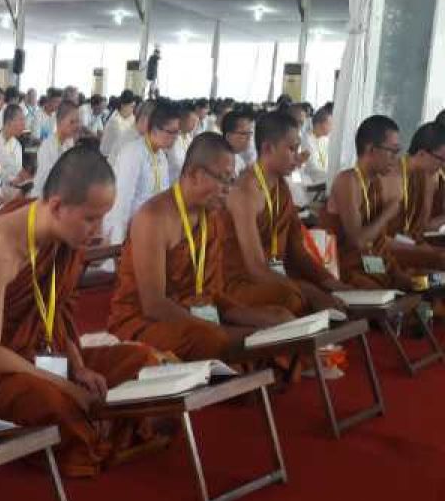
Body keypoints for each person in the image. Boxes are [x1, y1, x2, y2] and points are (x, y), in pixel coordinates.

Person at [0, 145, 167, 476]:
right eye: (91, 218)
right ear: (57, 206)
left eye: (103, 217)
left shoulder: (62, 239)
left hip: (40, 356)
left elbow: (57, 315)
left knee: (142, 364)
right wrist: (66, 386)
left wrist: (78, 369)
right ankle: (103, 434)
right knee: (59, 405)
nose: (99, 230)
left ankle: (101, 430)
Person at [108, 133, 293, 361]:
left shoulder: (211, 215)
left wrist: (249, 316)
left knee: (279, 317)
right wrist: (215, 327)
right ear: (195, 174)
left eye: (231, 181)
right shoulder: (153, 217)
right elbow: (153, 304)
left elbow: (210, 293)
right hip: (145, 322)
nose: (228, 189)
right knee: (213, 339)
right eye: (223, 179)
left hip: (199, 313)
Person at [221, 111, 349, 315]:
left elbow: (297, 250)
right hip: (242, 283)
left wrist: (331, 283)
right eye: (292, 149)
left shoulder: (282, 188)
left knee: (332, 291)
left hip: (275, 276)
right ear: (267, 148)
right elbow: (254, 268)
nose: (298, 157)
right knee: (294, 300)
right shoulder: (244, 192)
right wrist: (308, 291)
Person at [322, 115, 416, 290]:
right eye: (393, 151)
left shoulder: (375, 183)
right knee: (383, 293)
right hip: (341, 266)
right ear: (371, 149)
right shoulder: (347, 180)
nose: (396, 158)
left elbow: (378, 241)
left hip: (371, 262)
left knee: (414, 283)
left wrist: (395, 271)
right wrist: (388, 212)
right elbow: (357, 241)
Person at [105, 100, 182, 244]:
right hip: (130, 231)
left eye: (177, 132)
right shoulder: (133, 153)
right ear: (154, 129)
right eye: (171, 132)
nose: (175, 138)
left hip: (150, 229)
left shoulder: (161, 157)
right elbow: (121, 203)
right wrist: (118, 244)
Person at [32, 99, 80, 197]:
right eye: (72, 122)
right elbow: (46, 181)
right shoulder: (47, 146)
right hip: (44, 198)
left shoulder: (69, 142)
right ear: (59, 121)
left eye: (78, 121)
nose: (76, 126)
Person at [0, 103, 32, 190]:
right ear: (9, 122)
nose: (24, 125)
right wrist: (11, 180)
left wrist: (18, 179)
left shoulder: (17, 145)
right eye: (21, 120)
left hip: (14, 188)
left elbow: (17, 171)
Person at [99, 90, 137, 162]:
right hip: (107, 158)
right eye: (131, 107)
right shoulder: (115, 121)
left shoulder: (131, 117)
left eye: (134, 107)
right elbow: (125, 140)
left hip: (119, 156)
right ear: (123, 105)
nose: (133, 110)